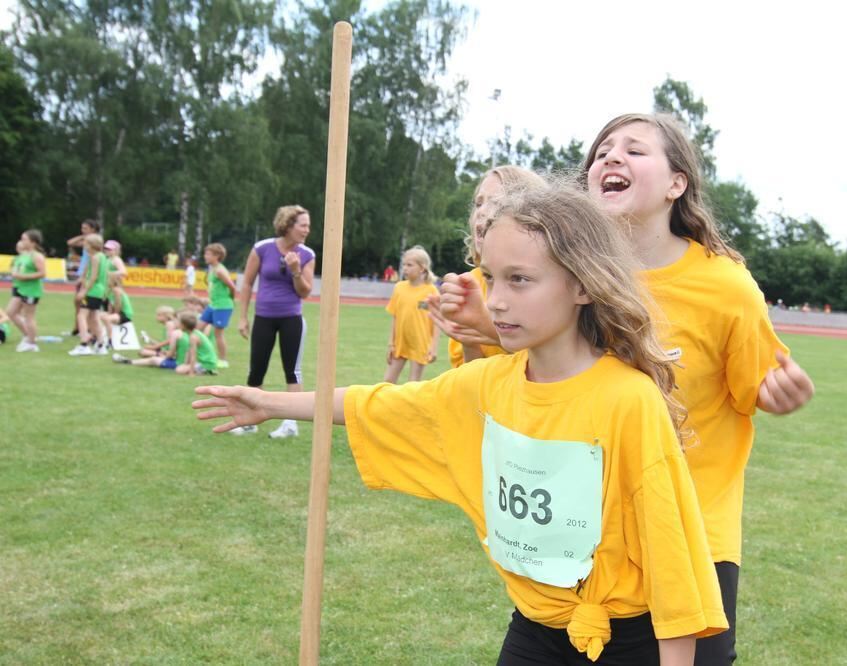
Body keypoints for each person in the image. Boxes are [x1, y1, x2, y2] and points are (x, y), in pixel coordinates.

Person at [194, 184, 728, 665]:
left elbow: (671, 557)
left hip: (628, 641)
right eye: (492, 278)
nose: (495, 300)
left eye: (520, 280)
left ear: (583, 285)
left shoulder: (628, 401)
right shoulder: (488, 384)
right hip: (535, 630)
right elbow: (378, 405)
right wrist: (268, 403)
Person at [436, 114, 815, 665]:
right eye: (601, 151)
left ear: (676, 184)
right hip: (588, 538)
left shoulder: (726, 287)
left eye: (634, 151)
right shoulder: (558, 274)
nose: (609, 158)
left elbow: (754, 385)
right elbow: (504, 394)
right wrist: (484, 331)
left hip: (692, 535)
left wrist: (775, 392)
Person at [429, 166, 546, 368]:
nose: (482, 212)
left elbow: (555, 362)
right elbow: (473, 386)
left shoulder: (548, 280)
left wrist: (486, 328)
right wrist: (468, 339)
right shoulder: (471, 284)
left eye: (496, 202)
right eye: (478, 203)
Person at [234, 204, 316, 438]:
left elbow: (304, 292)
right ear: (288, 225)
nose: (307, 230)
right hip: (263, 317)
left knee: (292, 371)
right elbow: (248, 283)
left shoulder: (307, 254)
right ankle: (249, 421)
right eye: (303, 225)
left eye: (308, 226)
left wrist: (295, 270)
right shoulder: (262, 248)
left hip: (292, 318)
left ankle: (291, 424)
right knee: (256, 370)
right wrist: (242, 317)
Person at [383, 246, 441, 383]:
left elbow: (437, 321)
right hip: (400, 343)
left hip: (420, 344)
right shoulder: (399, 288)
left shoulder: (431, 291)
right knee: (386, 382)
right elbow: (395, 317)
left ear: (422, 268)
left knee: (413, 385)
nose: (405, 268)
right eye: (404, 265)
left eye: (409, 265)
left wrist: (433, 347)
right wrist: (391, 343)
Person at [68, 233, 110, 356]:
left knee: (82, 315)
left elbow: (93, 277)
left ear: (91, 245)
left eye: (86, 243)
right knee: (94, 318)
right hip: (99, 291)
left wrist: (83, 291)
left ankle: (84, 344)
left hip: (92, 290)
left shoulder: (95, 257)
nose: (84, 245)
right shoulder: (102, 256)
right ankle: (101, 344)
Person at [7, 230, 46, 352]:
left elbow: (42, 273)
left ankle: (32, 343)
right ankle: (28, 335)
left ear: (33, 242)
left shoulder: (37, 256)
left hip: (31, 290)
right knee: (11, 312)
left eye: (24, 239)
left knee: (29, 316)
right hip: (20, 288)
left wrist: (23, 277)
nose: (21, 241)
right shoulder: (23, 255)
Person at [199, 243, 236, 369]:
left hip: (222, 306)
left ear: (217, 256)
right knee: (198, 329)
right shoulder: (212, 268)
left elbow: (232, 286)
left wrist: (229, 299)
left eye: (208, 254)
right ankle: (202, 355)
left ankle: (223, 360)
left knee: (218, 334)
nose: (205, 256)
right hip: (212, 305)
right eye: (206, 253)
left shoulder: (220, 270)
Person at [66, 219, 100, 336]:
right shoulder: (87, 241)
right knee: (78, 303)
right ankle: (78, 328)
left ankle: (85, 329)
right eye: (82, 228)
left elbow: (92, 262)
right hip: (82, 275)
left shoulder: (95, 244)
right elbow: (70, 243)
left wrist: (83, 277)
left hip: (85, 276)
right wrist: (83, 236)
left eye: (85, 228)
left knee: (84, 304)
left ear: (93, 229)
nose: (82, 230)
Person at [175, 310, 219, 376]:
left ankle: (207, 370)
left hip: (207, 364)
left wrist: (191, 372)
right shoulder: (192, 333)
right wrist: (185, 364)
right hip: (206, 362)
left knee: (179, 370)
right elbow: (188, 351)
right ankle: (204, 370)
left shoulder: (193, 337)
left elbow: (193, 355)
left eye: (178, 322)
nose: (176, 324)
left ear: (183, 325)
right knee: (181, 367)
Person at [100, 273, 134, 350]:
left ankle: (109, 341)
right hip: (117, 313)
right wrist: (108, 313)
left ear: (112, 281)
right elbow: (110, 307)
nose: (106, 281)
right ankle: (97, 337)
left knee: (106, 319)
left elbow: (118, 305)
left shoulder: (116, 290)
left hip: (125, 314)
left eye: (107, 279)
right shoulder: (110, 291)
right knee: (97, 315)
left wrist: (111, 315)